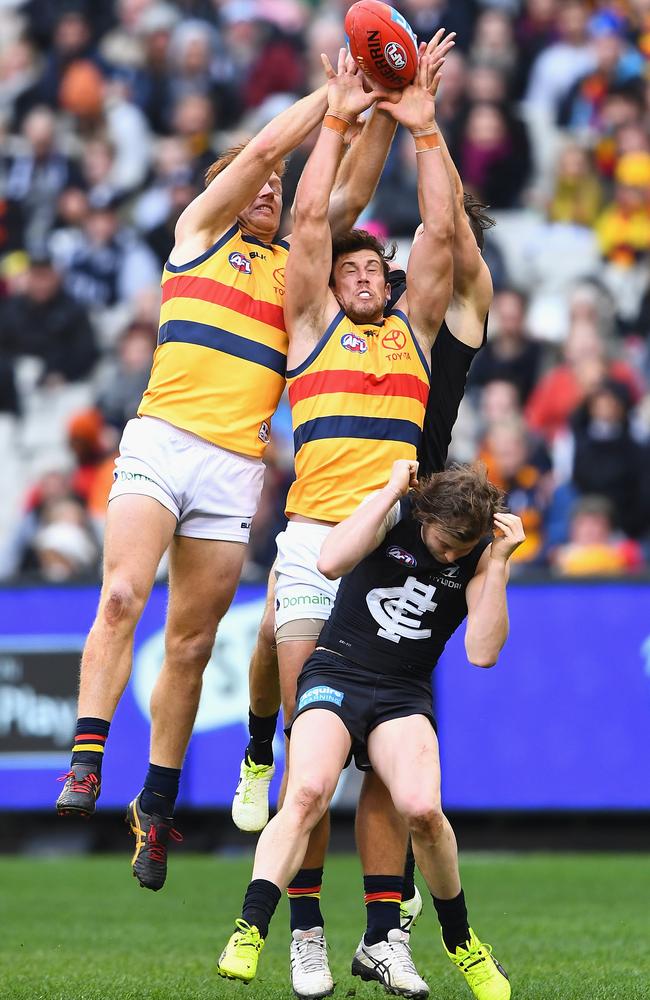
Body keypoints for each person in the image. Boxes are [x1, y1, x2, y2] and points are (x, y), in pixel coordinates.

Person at [55, 72, 400, 892]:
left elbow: (345, 192)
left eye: (280, 189)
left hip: (234, 465)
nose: (273, 190)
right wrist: (332, 97)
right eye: (262, 182)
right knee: (119, 598)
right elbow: (271, 146)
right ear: (231, 185)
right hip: (162, 440)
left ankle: (158, 801)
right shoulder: (198, 229)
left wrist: (384, 104)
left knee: (193, 644)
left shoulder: (297, 273)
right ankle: (87, 751)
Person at [231, 37, 494, 999]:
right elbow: (308, 214)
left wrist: (422, 127)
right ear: (329, 282)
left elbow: (439, 235)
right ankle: (306, 927)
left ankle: (385, 937)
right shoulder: (309, 329)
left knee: (385, 770)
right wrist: (344, 112)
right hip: (313, 548)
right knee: (314, 767)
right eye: (352, 268)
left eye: (376, 267)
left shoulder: (419, 339)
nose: (368, 273)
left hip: (393, 553)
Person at [218, 459, 524, 1000]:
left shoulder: (478, 553)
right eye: (445, 542)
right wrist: (385, 492)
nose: (450, 554)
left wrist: (496, 560)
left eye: (463, 546)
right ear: (426, 514)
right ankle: (251, 929)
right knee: (308, 791)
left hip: (403, 691)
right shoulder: (396, 515)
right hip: (336, 671)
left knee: (423, 811)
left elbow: (482, 651)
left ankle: (462, 942)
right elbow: (331, 560)